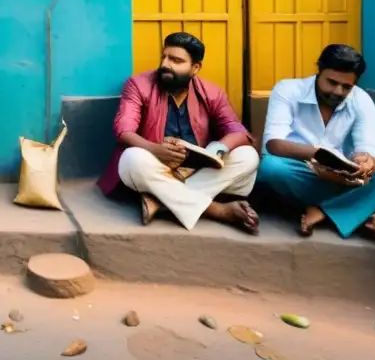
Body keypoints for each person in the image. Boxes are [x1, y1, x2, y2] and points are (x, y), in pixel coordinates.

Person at [98, 32, 260, 233]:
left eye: (176, 60)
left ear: (195, 68)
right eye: (164, 57)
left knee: (248, 156)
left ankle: (160, 199)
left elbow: (238, 130)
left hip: (196, 170)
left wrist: (217, 148)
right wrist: (154, 149)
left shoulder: (212, 92)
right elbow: (123, 130)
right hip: (155, 165)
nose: (166, 64)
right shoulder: (138, 85)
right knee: (132, 158)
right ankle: (217, 210)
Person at [257, 44, 375, 241]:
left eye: (347, 87)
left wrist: (366, 161)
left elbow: (369, 147)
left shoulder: (361, 100)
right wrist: (318, 157)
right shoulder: (288, 90)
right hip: (301, 176)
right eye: (331, 82)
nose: (338, 91)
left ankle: (323, 211)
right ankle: (357, 210)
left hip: (345, 180)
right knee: (272, 168)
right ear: (319, 71)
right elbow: (273, 145)